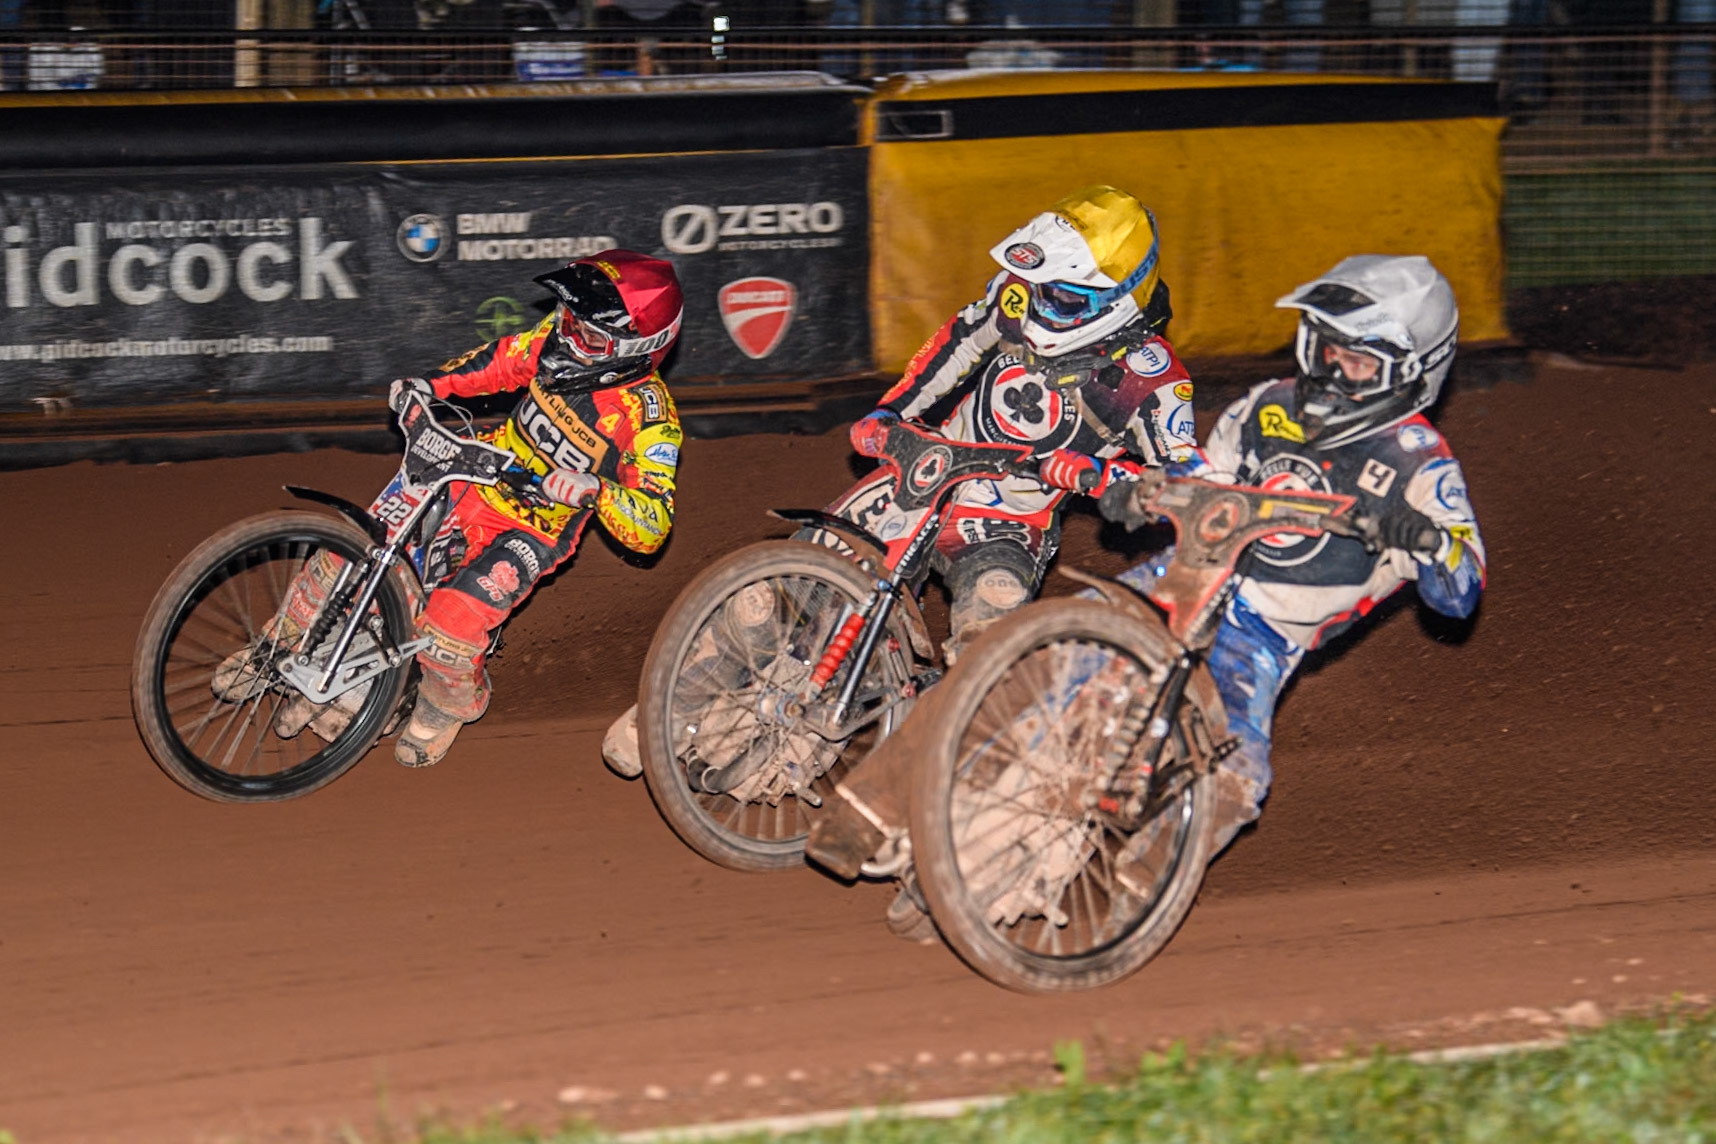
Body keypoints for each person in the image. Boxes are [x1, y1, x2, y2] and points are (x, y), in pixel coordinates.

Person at [600, 185, 1197, 780]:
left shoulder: (1153, 381)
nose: (1043, 302)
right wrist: (892, 414)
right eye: (1041, 287)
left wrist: (1114, 479)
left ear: (1117, 299)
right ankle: (668, 713)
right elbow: (956, 346)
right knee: (772, 591)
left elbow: (1184, 481)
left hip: (1010, 525)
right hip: (925, 473)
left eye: (1063, 296)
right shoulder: (1017, 296)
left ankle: (968, 789)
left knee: (988, 648)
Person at [1101, 254, 1486, 854]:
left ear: (1409, 372)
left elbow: (1461, 595)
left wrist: (1429, 540)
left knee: (1235, 777)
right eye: (1327, 351)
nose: (1331, 372)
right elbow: (1205, 475)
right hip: (1183, 576)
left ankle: (1143, 877)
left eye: (1357, 362)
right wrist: (1145, 491)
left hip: (1260, 639)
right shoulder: (1267, 404)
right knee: (1055, 654)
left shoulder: (1421, 463)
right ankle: (946, 794)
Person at [275, 250, 684, 768]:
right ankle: (278, 642)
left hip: (532, 526)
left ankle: (447, 704)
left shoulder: (650, 421)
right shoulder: (556, 339)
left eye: (590, 335)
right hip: (474, 471)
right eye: (568, 319)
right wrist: (429, 385)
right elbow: (502, 362)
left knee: (450, 623)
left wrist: (595, 490)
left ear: (636, 348)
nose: (569, 336)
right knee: (357, 552)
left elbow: (653, 525)